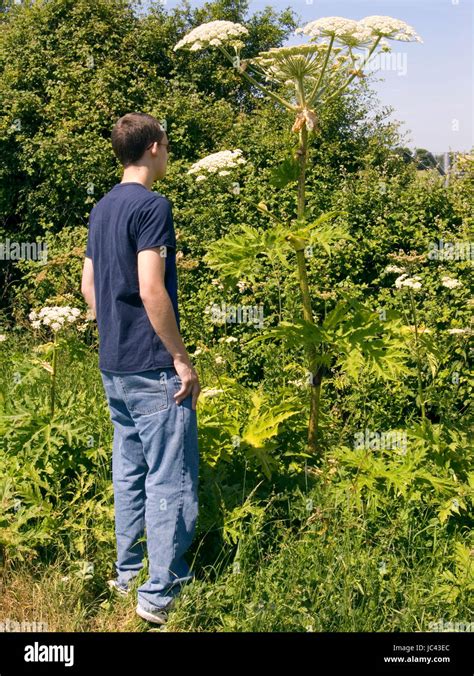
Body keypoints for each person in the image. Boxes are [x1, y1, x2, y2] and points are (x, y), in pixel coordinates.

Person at [80, 112, 201, 625]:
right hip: (152, 365)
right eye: (167, 145)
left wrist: (109, 326)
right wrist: (179, 356)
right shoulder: (153, 206)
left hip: (114, 363)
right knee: (169, 475)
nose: (168, 153)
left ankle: (127, 573)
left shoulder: (102, 207)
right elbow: (152, 287)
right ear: (154, 147)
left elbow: (89, 288)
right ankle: (159, 592)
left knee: (129, 470)